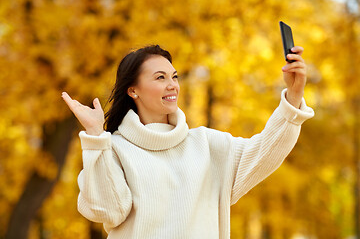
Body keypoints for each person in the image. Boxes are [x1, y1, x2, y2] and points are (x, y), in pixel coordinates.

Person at [62, 44, 314, 239]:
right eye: (160, 78)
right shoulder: (113, 149)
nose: (172, 85)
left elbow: (264, 152)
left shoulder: (206, 145)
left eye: (174, 76)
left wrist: (293, 97)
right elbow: (108, 211)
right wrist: (96, 136)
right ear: (133, 90)